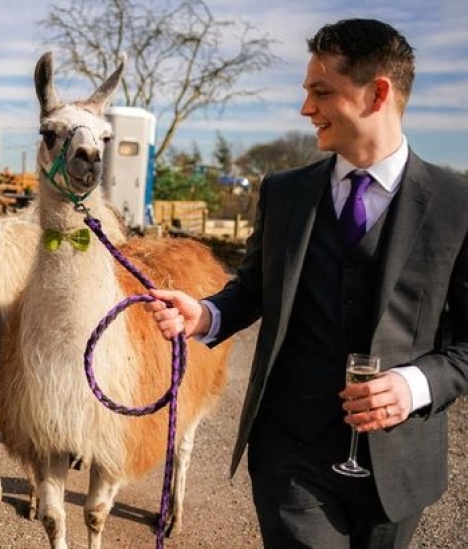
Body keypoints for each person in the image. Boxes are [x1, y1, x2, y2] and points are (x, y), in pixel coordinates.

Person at [148, 18, 468, 547]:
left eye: (321, 92)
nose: (305, 108)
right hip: (290, 455)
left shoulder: (457, 206)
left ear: (377, 94)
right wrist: (205, 315)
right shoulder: (284, 193)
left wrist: (415, 385)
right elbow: (253, 288)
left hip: (401, 465)